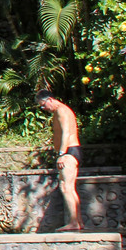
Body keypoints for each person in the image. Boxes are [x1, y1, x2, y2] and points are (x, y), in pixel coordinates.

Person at [37, 90, 85, 231]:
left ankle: (74, 223)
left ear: (50, 99)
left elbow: (66, 133)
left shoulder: (61, 111)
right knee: (70, 188)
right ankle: (78, 222)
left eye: (43, 105)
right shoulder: (63, 110)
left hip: (69, 151)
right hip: (72, 150)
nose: (44, 109)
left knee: (66, 187)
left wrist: (61, 154)